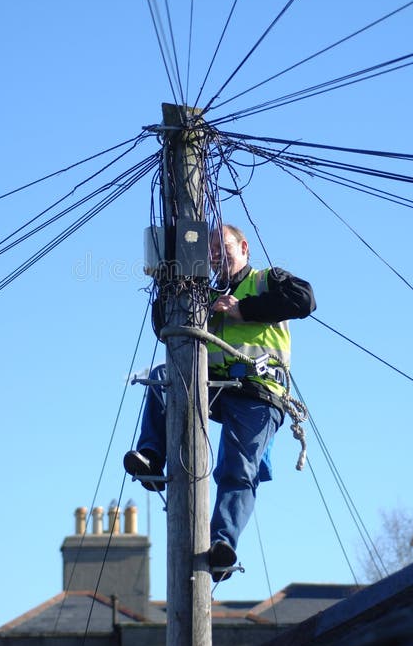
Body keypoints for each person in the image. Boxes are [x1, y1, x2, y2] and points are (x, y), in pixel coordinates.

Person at [124, 224, 316, 582]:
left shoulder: (266, 280)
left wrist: (244, 309)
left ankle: (221, 543)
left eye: (222, 246)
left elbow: (304, 299)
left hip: (257, 390)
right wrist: (168, 284)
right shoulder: (202, 294)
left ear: (243, 247)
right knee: (161, 378)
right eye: (209, 250)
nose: (215, 255)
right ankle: (152, 456)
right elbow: (163, 325)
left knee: (237, 469)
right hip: (211, 387)